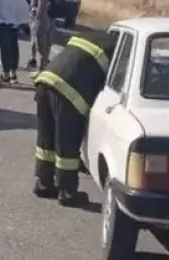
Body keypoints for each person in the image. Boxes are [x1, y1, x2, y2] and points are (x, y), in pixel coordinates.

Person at [34, 31, 119, 206]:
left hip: (45, 80)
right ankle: (67, 193)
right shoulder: (122, 51)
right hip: (68, 91)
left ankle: (43, 184)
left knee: (46, 141)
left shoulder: (94, 36)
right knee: (67, 146)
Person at [26, 0, 53, 72]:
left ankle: (42, 70)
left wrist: (37, 20)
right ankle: (38, 67)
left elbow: (42, 4)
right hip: (35, 19)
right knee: (35, 43)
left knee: (41, 48)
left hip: (40, 21)